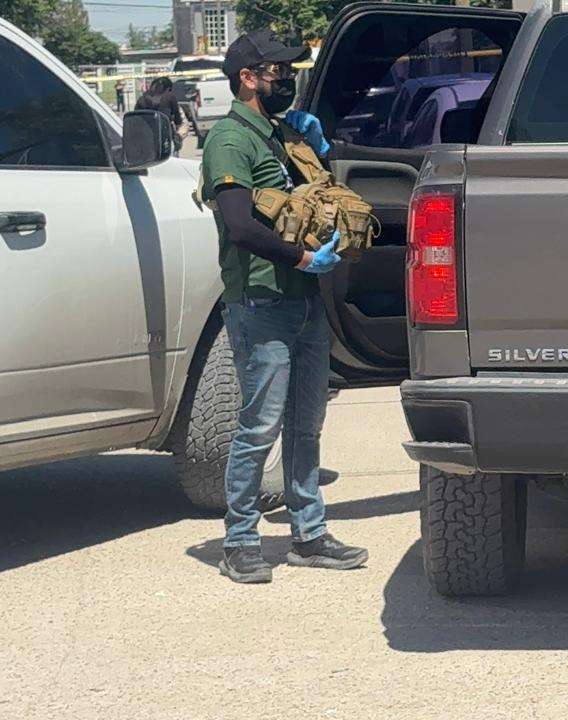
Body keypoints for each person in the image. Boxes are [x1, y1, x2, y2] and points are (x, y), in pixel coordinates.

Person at [200, 29, 368, 583]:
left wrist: (320, 150)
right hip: (261, 301)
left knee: (306, 426)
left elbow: (317, 198)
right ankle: (240, 541)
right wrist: (303, 259)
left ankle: (309, 534)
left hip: (304, 303)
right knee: (259, 427)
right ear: (248, 78)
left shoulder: (282, 133)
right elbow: (239, 225)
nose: (287, 80)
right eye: (278, 72)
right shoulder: (230, 140)